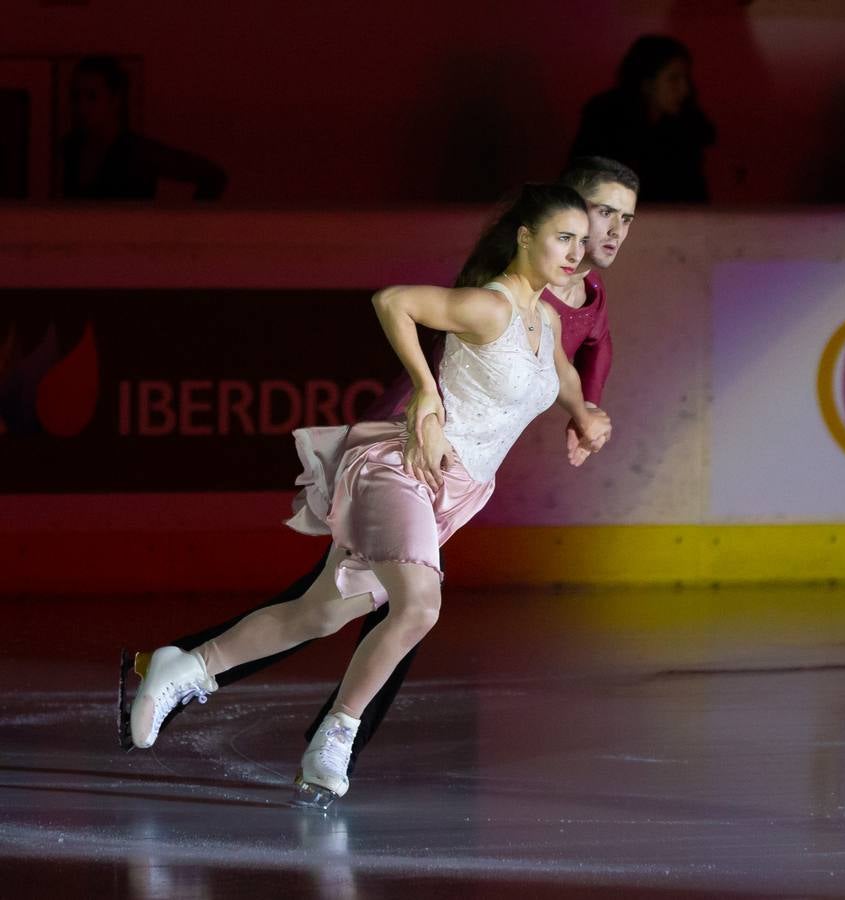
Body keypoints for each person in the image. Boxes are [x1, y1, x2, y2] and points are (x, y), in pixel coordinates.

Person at [122, 159, 642, 777]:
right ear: (526, 236)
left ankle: (186, 666)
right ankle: (334, 740)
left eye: (586, 239)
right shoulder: (489, 306)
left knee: (318, 612)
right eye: (568, 235)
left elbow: (559, 372)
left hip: (454, 491)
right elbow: (393, 301)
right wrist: (425, 390)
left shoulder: (547, 318)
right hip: (402, 469)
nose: (580, 250)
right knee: (419, 606)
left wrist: (585, 413)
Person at [58, 56, 226, 201]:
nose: (81, 107)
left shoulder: (137, 152)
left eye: (91, 97)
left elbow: (213, 176)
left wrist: (188, 227)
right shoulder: (70, 148)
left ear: (115, 100)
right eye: (75, 96)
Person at [570, 35, 714, 203]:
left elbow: (693, 196)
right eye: (674, 79)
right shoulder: (606, 122)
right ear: (646, 83)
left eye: (685, 79)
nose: (684, 89)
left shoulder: (684, 129)